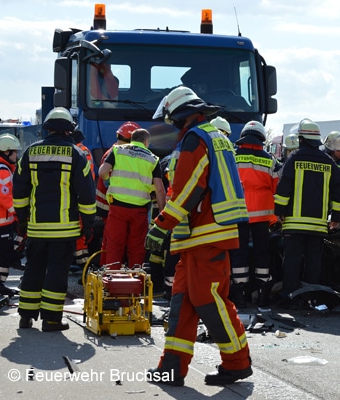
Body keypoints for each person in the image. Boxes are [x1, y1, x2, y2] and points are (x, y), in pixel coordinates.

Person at [145, 86, 252, 386]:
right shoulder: (211, 136)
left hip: (207, 234)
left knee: (209, 301)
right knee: (183, 303)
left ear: (180, 115)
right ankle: (171, 369)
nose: (172, 125)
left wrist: (161, 225)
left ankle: (238, 363)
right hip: (196, 237)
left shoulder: (195, 139)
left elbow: (190, 189)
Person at [14, 107, 96, 332]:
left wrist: (22, 220)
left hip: (37, 228)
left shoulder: (30, 152)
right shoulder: (77, 154)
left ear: (46, 128)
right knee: (57, 272)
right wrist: (88, 224)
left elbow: (19, 191)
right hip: (65, 230)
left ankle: (26, 317)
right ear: (70, 130)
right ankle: (51, 320)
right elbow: (87, 195)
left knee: (34, 268)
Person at [274, 119, 340, 305]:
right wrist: (336, 217)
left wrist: (279, 210)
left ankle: (290, 297)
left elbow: (284, 186)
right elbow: (339, 191)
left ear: (301, 139)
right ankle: (310, 297)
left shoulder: (294, 158)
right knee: (314, 261)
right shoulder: (328, 162)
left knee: (292, 261)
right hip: (318, 224)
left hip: (294, 223)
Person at [229, 121, 279, 311]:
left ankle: (240, 296)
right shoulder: (270, 159)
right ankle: (262, 296)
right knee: (262, 254)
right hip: (262, 216)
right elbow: (276, 188)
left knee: (238, 253)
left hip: (237, 214)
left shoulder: (232, 157)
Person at [98, 128, 165, 269]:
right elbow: (159, 189)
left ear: (131, 139)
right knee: (137, 247)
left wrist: (109, 180)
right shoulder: (153, 159)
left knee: (115, 245)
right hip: (139, 211)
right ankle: (136, 283)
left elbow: (102, 172)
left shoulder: (117, 151)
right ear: (146, 142)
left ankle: (112, 282)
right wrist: (162, 214)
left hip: (117, 208)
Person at [94, 121, 140, 262]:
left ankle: (109, 271)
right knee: (114, 242)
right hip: (112, 205)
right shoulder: (118, 154)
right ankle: (111, 272)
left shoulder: (113, 152)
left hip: (109, 205)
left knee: (112, 242)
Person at [0, 134, 22, 296]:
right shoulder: (2, 170)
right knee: (4, 252)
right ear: (7, 152)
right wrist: (17, 212)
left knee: (5, 251)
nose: (17, 155)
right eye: (15, 152)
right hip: (0, 219)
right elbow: (3, 195)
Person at [71, 128, 95, 269]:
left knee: (79, 236)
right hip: (83, 195)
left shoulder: (78, 151)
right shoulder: (82, 150)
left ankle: (86, 269)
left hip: (78, 196)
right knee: (80, 235)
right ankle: (85, 268)